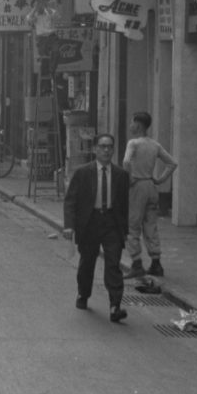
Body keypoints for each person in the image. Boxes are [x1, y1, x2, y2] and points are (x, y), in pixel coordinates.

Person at [63, 133, 130, 322]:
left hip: (111, 224)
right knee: (87, 262)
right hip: (90, 222)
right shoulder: (83, 173)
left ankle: (115, 305)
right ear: (95, 149)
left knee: (113, 264)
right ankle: (83, 294)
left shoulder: (121, 175)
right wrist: (69, 226)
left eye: (110, 146)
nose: (106, 150)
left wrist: (127, 231)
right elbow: (70, 201)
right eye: (102, 146)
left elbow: (124, 206)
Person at [121, 111, 178, 278]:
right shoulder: (155, 145)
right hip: (151, 186)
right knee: (151, 225)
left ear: (138, 125)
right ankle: (156, 263)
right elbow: (172, 163)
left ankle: (137, 263)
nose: (131, 126)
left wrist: (129, 178)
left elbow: (125, 161)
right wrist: (160, 180)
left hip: (137, 186)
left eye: (132, 123)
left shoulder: (133, 143)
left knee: (132, 225)